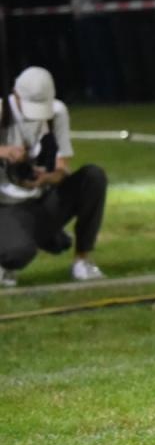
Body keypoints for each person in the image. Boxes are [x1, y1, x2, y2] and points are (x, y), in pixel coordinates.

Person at [0, 67, 107, 287]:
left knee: (93, 177)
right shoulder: (2, 111)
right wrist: (3, 151)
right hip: (7, 206)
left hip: (39, 199)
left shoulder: (57, 112)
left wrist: (45, 177)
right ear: (16, 95)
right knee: (18, 252)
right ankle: (12, 251)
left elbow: (61, 168)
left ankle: (82, 261)